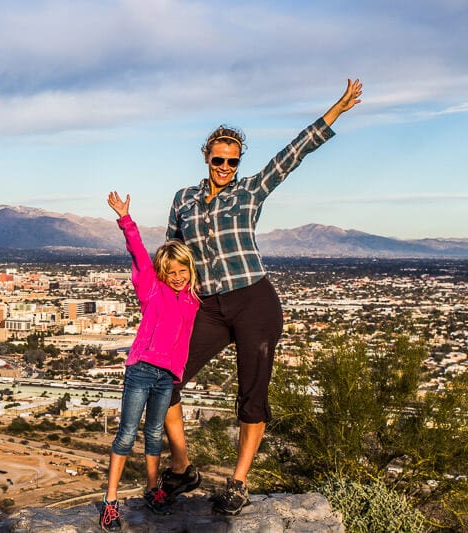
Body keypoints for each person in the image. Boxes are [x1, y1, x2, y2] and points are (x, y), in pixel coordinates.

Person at [159, 79, 364, 515]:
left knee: (252, 395)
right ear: (206, 157)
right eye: (219, 159)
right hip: (208, 306)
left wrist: (337, 110)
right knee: (163, 382)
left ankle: (238, 482)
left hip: (254, 299)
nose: (225, 167)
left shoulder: (250, 190)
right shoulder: (184, 199)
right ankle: (182, 468)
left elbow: (293, 154)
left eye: (232, 161)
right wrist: (164, 299)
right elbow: (172, 256)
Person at [99, 191, 201, 531]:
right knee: (127, 434)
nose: (177, 276)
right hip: (141, 370)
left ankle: (152, 490)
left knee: (155, 434)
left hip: (166, 377)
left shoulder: (193, 301)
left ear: (190, 269)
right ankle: (110, 502)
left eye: (182, 269)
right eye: (170, 270)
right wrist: (126, 219)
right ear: (161, 271)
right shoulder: (152, 288)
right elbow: (139, 253)